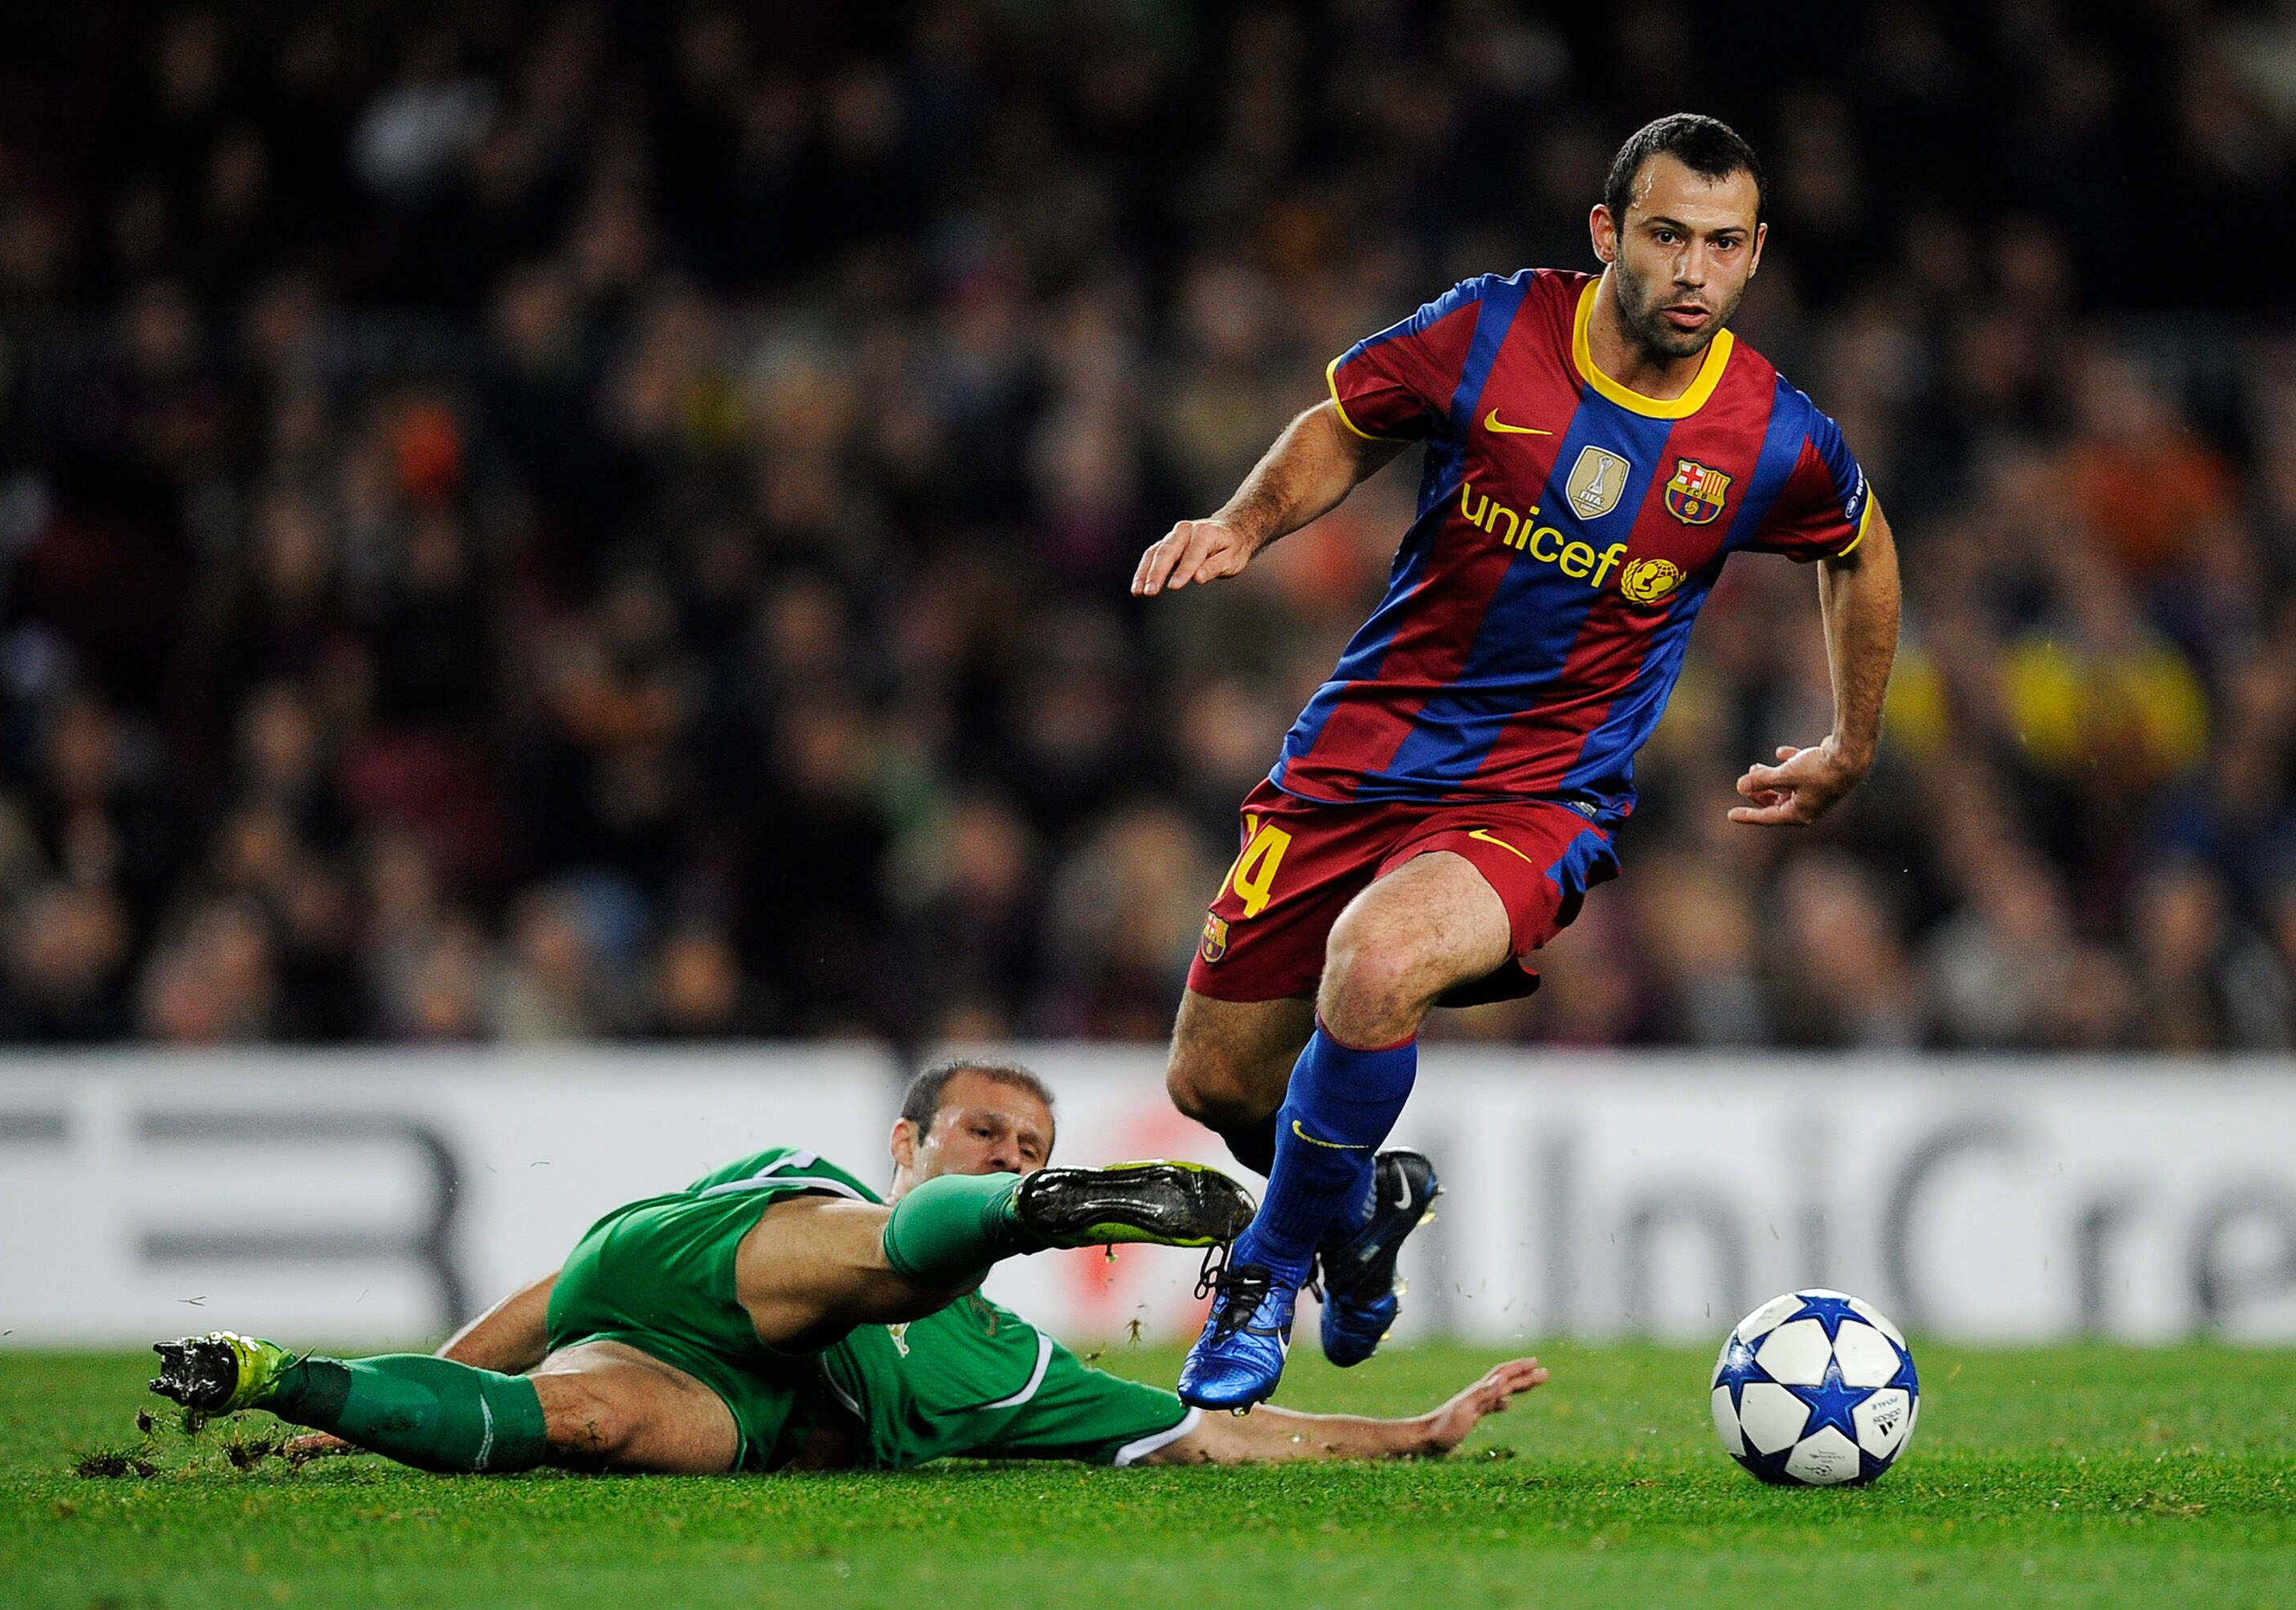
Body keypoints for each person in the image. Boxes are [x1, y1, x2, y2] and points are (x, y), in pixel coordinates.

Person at [1132, 113, 1903, 1409]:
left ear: (1756, 253)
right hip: (1360, 755)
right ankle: (1357, 1204)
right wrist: (1244, 520)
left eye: (1722, 244)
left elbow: (1862, 550)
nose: (1693, 272)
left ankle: (1266, 1278)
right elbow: (1347, 420)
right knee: (1212, 1079)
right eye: (1666, 237)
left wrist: (1852, 743)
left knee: (1378, 967)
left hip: (1538, 795)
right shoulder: (1493, 329)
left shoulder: (1771, 434)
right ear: (1608, 235)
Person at [151, 1058, 1547, 1473]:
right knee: (886, 1258)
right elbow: (566, 1290)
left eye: (1028, 1145)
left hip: (728, 1397)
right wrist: (464, 1356)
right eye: (984, 1134)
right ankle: (1048, 1216)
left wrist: (1411, 1436)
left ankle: (276, 1377)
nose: (999, 1140)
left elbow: (1208, 1438)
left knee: (589, 1424)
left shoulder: (1004, 1374)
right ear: (908, 1137)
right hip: (708, 1270)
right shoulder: (800, 1176)